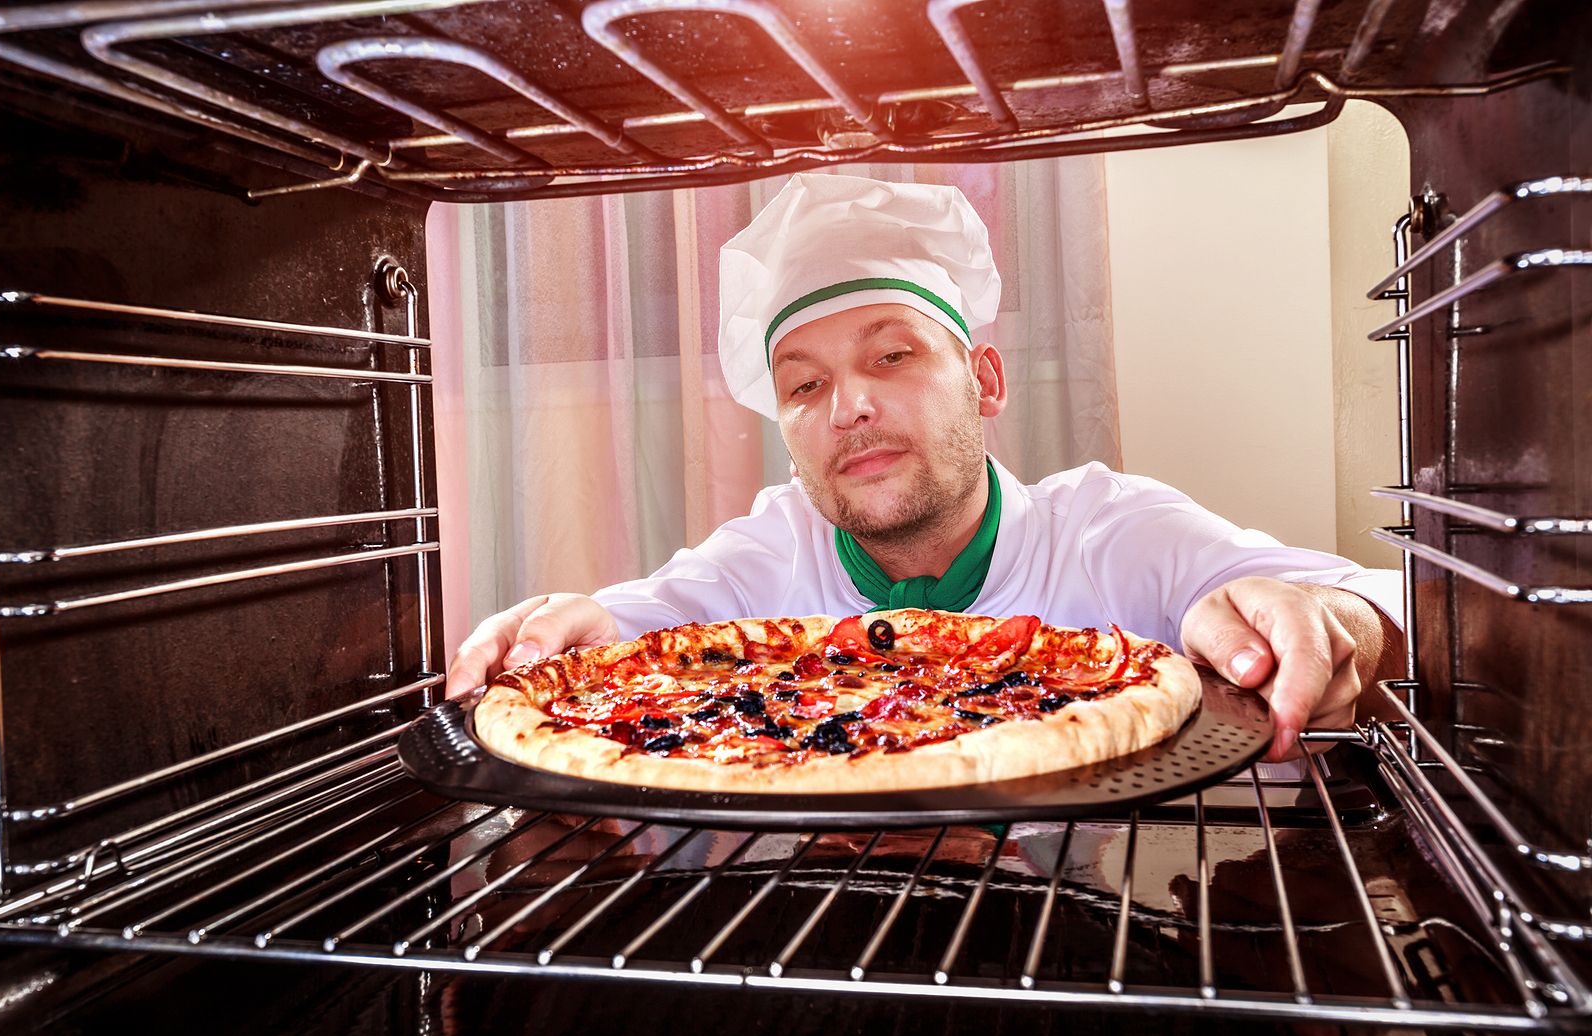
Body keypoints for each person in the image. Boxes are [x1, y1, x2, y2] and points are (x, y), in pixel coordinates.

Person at [447, 173, 1402, 762]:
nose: (848, 406)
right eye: (804, 385)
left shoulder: (1117, 531)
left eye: (892, 355)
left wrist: (1336, 620)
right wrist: (566, 628)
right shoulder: (767, 555)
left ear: (984, 377)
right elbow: (632, 621)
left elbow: (1388, 602)